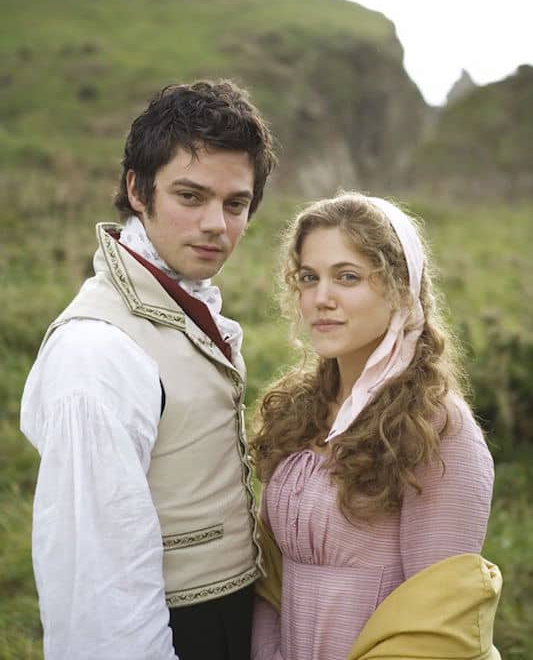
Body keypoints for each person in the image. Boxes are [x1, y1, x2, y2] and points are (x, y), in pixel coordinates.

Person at [20, 79, 277, 660]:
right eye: (191, 196)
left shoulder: (185, 308)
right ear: (138, 190)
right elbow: (97, 589)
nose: (217, 224)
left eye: (235, 204)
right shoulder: (96, 351)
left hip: (230, 623)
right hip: (171, 633)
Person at [250, 192, 498, 660]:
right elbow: (268, 580)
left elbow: (435, 629)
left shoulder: (438, 430)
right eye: (309, 278)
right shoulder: (298, 412)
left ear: (402, 289)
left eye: (347, 277)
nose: (321, 299)